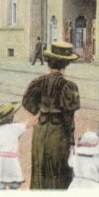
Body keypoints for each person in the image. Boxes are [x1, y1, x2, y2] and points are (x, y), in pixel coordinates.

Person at [22, 41, 80, 189]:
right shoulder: (69, 86)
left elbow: (27, 102)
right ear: (66, 64)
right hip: (58, 133)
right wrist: (71, 142)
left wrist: (41, 113)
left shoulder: (38, 82)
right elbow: (69, 117)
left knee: (39, 167)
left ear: (49, 63)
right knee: (58, 170)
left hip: (40, 131)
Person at [0, 101, 37, 190]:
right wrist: (38, 114)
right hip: (11, 163)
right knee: (14, 186)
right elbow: (29, 123)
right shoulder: (15, 128)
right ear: (11, 117)